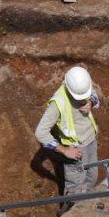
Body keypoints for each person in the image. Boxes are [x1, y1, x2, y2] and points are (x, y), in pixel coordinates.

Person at [35, 66, 101, 208]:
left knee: (92, 178)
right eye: (81, 97)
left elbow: (94, 94)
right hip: (76, 150)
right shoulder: (58, 102)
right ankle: (69, 214)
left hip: (91, 142)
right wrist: (64, 150)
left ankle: (86, 208)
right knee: (75, 191)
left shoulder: (82, 85)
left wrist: (91, 102)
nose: (83, 98)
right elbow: (41, 132)